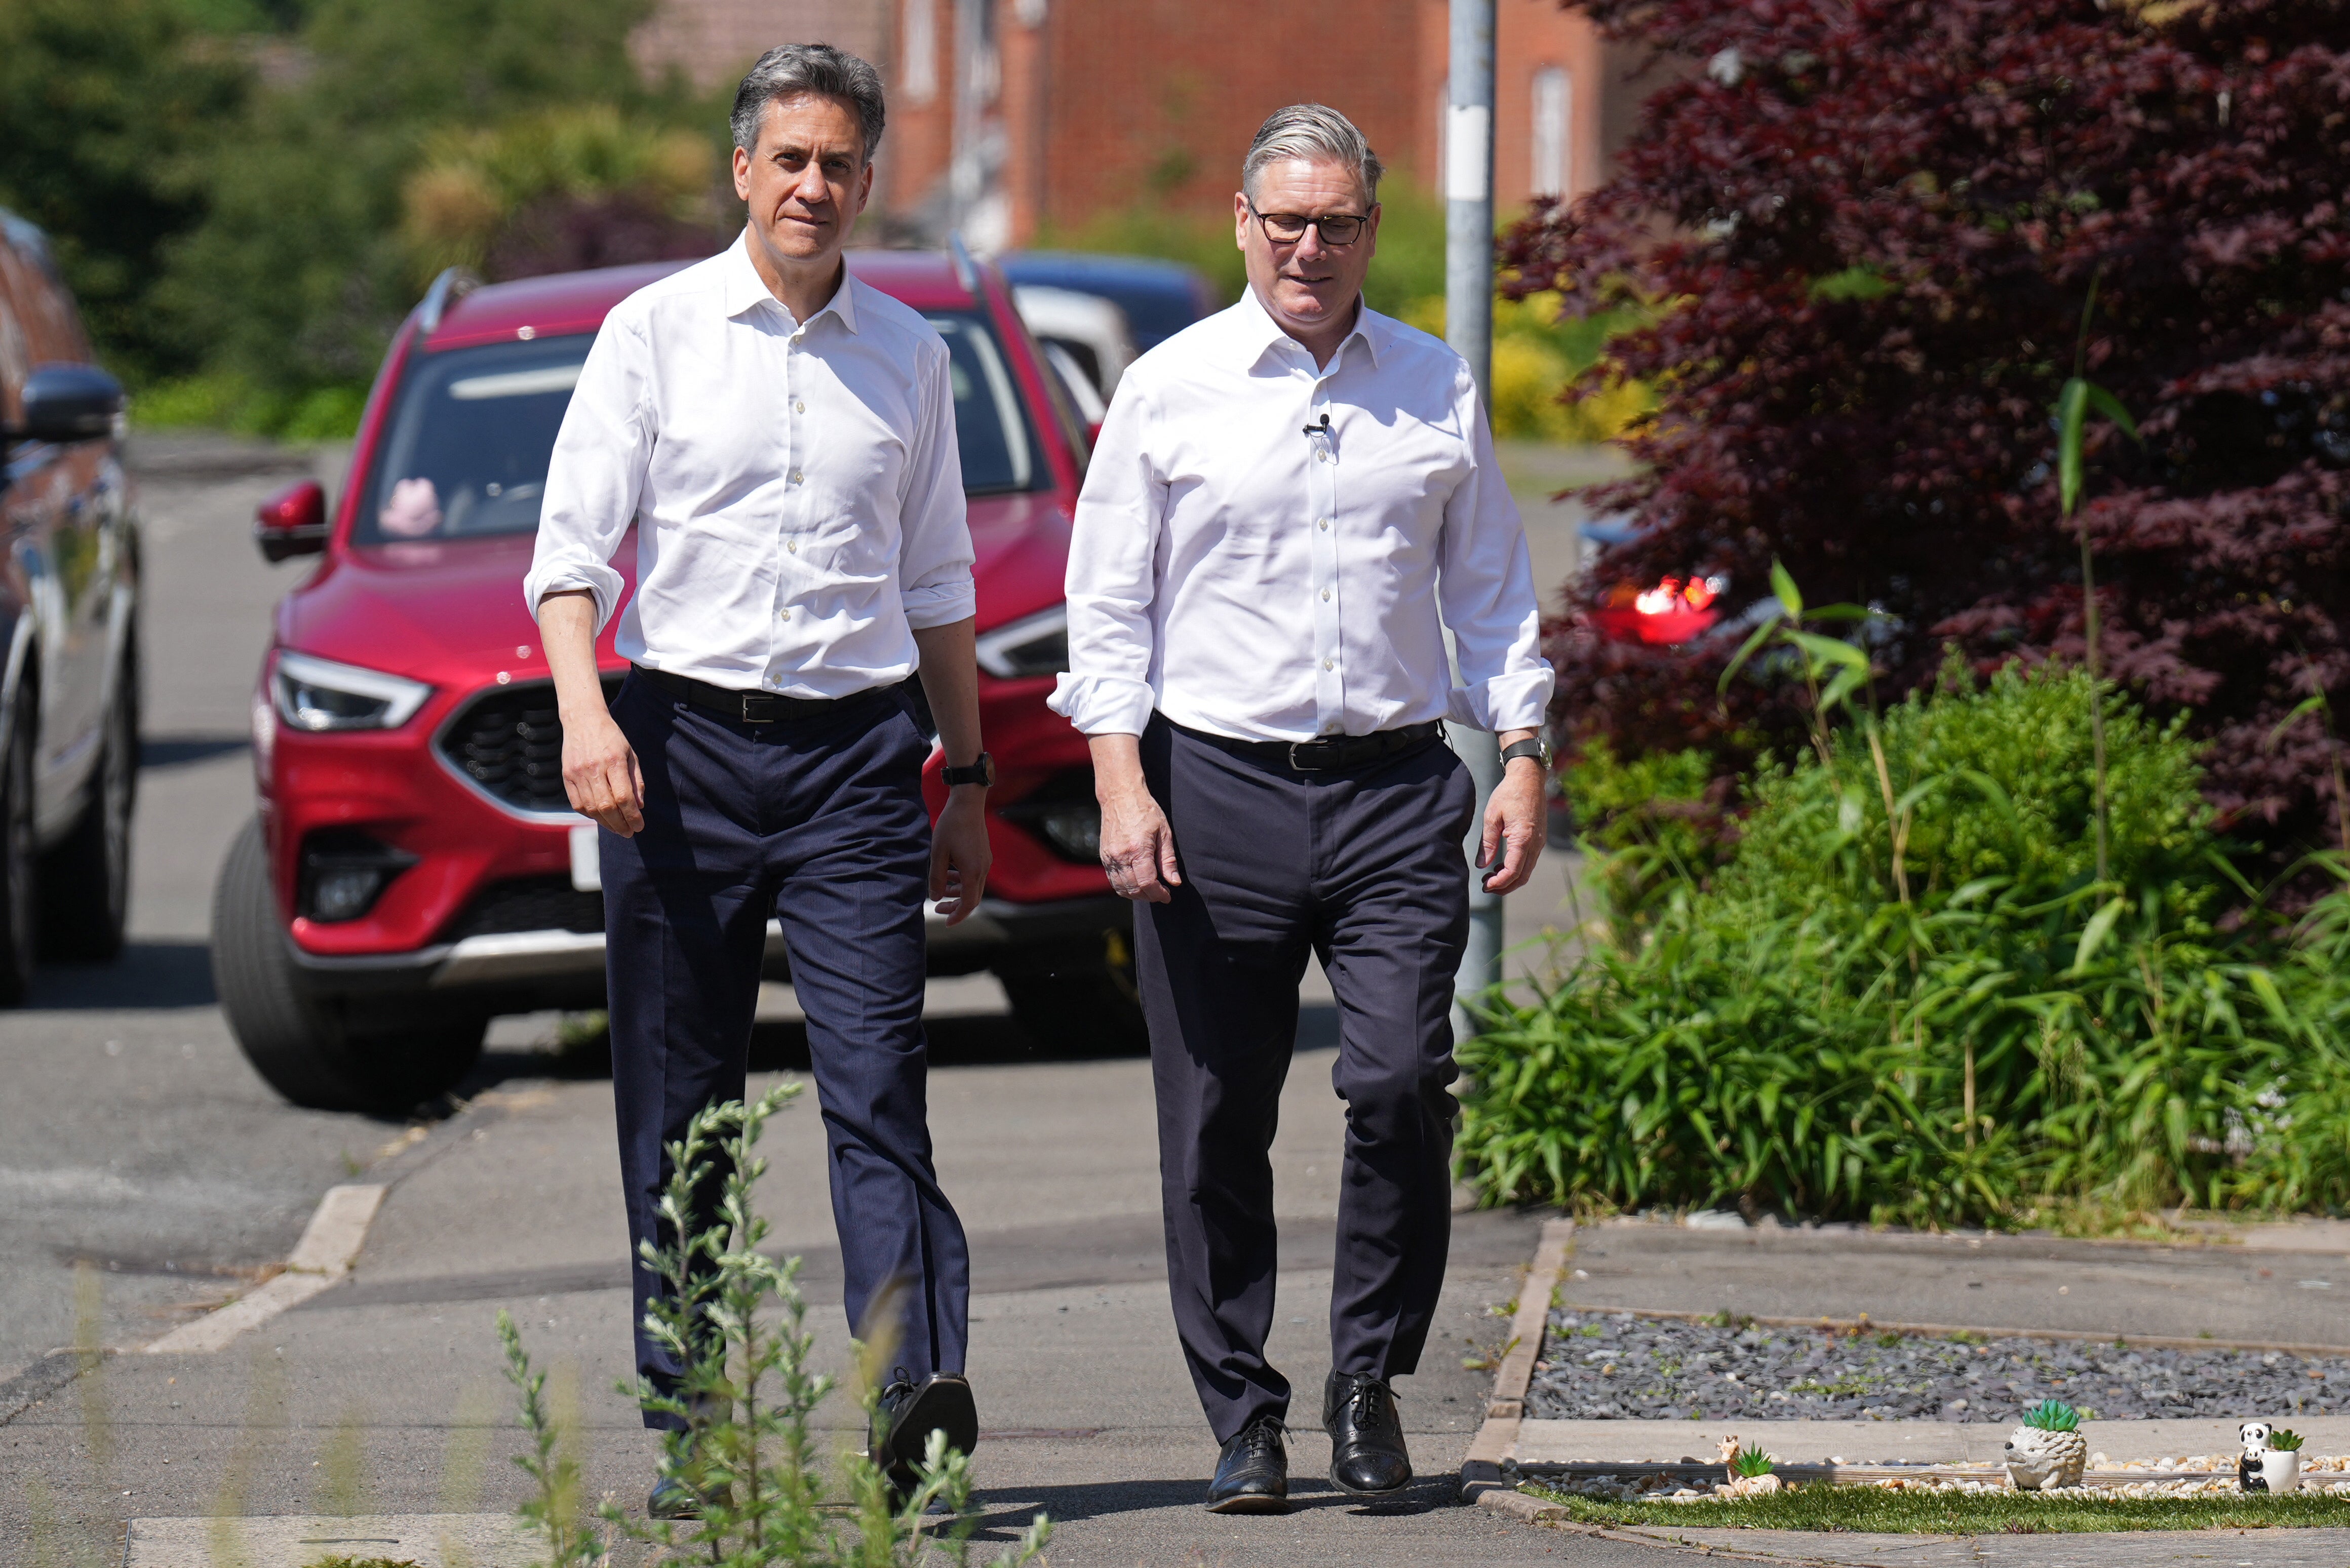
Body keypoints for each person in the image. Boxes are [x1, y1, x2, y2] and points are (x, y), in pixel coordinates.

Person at [1049, 103, 1555, 1513]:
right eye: (1286, 220)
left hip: (1395, 787)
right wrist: (1118, 781)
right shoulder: (1169, 388)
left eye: (1336, 222)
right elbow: (1109, 607)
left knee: (1399, 1082)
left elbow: (1492, 589)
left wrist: (1520, 751)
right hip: (1215, 789)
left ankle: (1366, 1381)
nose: (1310, 246)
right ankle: (1245, 1413)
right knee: (1215, 1116)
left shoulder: (1434, 385)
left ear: (1372, 230)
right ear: (1242, 223)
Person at [524, 42, 994, 1517]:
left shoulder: (911, 359)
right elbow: (569, 561)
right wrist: (588, 721)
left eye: (838, 162)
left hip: (858, 761)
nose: (812, 185)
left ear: (869, 180)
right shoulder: (652, 335)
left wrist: (966, 778)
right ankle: (692, 1426)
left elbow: (938, 591)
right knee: (683, 1105)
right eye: (787, 159)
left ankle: (908, 1396)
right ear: (743, 171)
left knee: (879, 1092)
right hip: (675, 754)